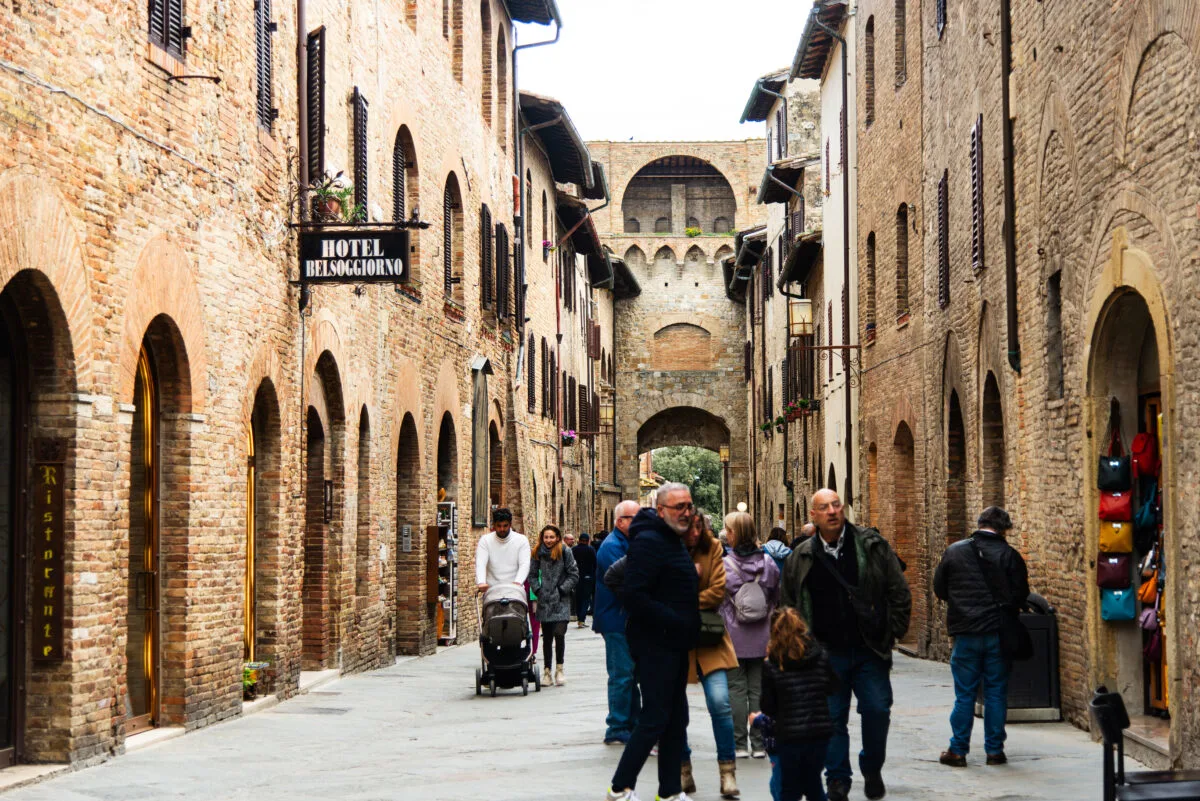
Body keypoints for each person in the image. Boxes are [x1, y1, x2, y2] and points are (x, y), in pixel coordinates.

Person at [780, 489, 911, 801]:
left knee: (877, 710)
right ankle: (838, 780)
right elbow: (788, 605)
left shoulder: (871, 545)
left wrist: (892, 632)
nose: (832, 511)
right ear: (813, 515)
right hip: (824, 653)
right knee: (831, 719)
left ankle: (872, 766)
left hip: (869, 650)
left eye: (836, 505)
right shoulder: (800, 557)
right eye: (824, 507)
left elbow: (898, 590)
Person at [607, 483, 700, 801]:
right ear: (661, 511)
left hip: (673, 644)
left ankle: (670, 791)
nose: (687, 512)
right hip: (654, 644)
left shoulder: (671, 540)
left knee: (676, 718)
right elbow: (634, 595)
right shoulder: (649, 542)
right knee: (655, 717)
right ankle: (620, 788)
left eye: (689, 506)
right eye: (679, 507)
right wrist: (674, 619)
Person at [933, 506, 1030, 767]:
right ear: (1004, 529)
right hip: (998, 633)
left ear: (980, 523)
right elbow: (1021, 594)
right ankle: (994, 751)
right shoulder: (1010, 555)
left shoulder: (954, 551)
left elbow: (940, 589)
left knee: (964, 694)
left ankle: (958, 750)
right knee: (996, 692)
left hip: (965, 632)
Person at [750, 606, 839, 801]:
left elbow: (768, 707)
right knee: (813, 783)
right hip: (819, 734)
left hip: (790, 737)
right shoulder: (821, 656)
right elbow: (832, 687)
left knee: (790, 789)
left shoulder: (772, 665)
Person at [681, 512, 741, 799]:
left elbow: (718, 591)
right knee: (673, 709)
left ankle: (727, 772)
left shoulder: (714, 549)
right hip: (676, 642)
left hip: (709, 637)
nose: (693, 533)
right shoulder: (666, 550)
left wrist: (681, 601)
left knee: (720, 702)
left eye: (697, 528)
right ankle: (682, 768)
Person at [723, 512, 781, 759]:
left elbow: (716, 599)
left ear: (734, 534)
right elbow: (777, 597)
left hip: (733, 636)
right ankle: (759, 744)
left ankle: (738, 745)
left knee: (736, 689)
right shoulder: (768, 563)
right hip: (763, 635)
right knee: (757, 689)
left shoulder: (725, 565)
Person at [595, 500, 642, 745]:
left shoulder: (627, 542)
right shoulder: (612, 546)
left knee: (630, 673)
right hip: (615, 619)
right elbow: (630, 578)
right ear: (620, 521)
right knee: (622, 674)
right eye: (634, 518)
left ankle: (631, 722)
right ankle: (616, 726)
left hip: (625, 618)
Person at [530, 524, 579, 687]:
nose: (549, 540)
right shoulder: (537, 552)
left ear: (557, 537)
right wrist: (538, 590)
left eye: (552, 537)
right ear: (542, 538)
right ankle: (546, 672)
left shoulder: (565, 551)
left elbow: (574, 574)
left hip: (561, 601)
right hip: (545, 600)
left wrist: (562, 589)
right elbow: (531, 575)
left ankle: (559, 669)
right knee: (548, 637)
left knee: (559, 633)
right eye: (546, 537)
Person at [475, 508, 530, 592]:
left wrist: (518, 582)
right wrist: (481, 582)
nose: (502, 529)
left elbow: (524, 564)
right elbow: (480, 563)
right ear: (494, 525)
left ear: (510, 524)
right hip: (492, 591)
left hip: (515, 590)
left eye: (505, 526)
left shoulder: (521, 540)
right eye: (499, 526)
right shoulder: (485, 540)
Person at [573, 533, 598, 628]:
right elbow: (595, 564)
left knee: (578, 598)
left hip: (576, 577)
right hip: (588, 577)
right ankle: (581, 620)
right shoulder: (591, 549)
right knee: (586, 598)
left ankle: (579, 617)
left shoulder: (574, 550)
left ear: (579, 540)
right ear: (588, 541)